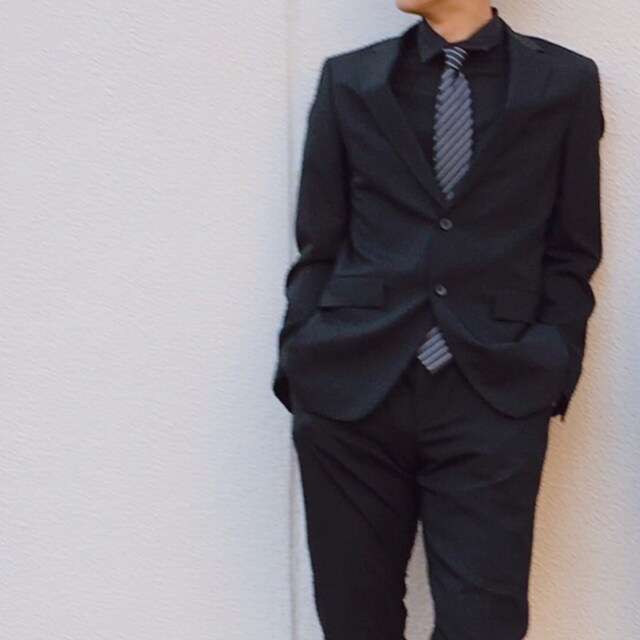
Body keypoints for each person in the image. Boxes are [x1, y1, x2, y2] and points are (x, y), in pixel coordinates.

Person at [272, 1, 605, 638]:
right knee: (354, 622)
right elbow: (318, 243)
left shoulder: (563, 81)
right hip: (352, 393)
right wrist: (303, 357)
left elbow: (572, 250)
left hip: (492, 393)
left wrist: (550, 363)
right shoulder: (351, 78)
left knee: (485, 623)